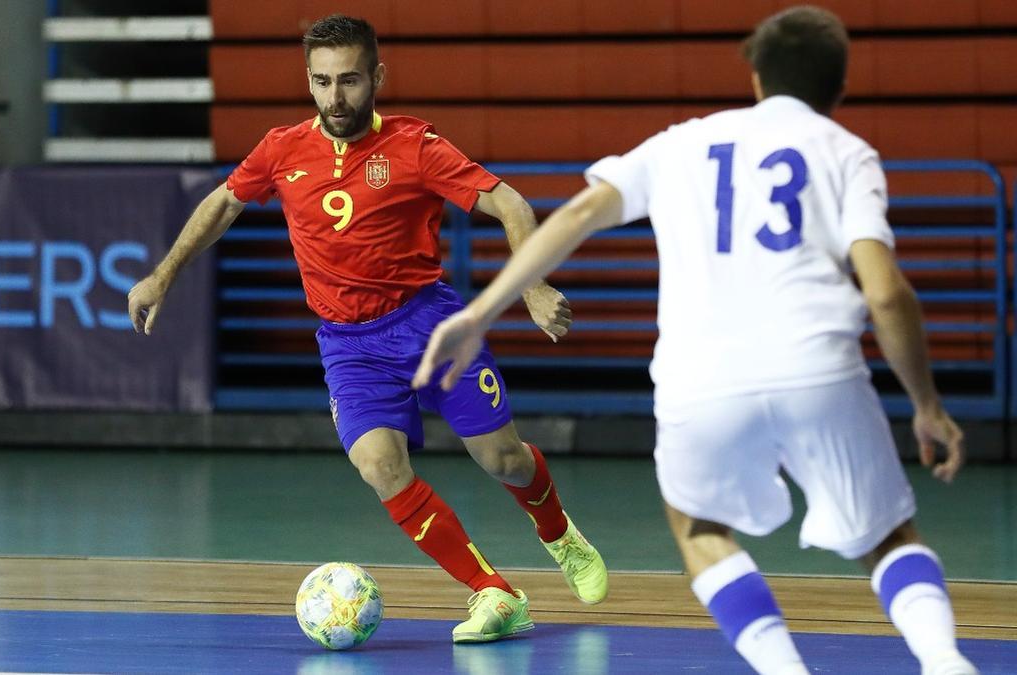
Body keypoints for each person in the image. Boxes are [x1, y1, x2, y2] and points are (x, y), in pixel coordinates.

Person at [414, 6, 977, 673]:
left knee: (701, 529)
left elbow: (578, 215)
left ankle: (782, 667)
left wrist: (482, 311)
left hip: (701, 381)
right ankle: (943, 659)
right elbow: (885, 293)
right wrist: (928, 405)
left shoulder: (683, 142)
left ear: (756, 78)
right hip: (818, 368)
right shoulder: (847, 153)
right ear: (839, 91)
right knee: (888, 538)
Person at [126, 14, 608, 643]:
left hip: (429, 325)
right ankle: (494, 593)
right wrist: (162, 276)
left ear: (376, 77)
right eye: (322, 82)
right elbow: (223, 202)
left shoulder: (415, 147)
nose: (335, 97)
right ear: (308, 81)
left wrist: (534, 287)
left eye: (349, 80)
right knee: (380, 466)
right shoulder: (282, 149)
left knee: (505, 460)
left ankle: (558, 535)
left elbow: (510, 203)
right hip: (349, 345)